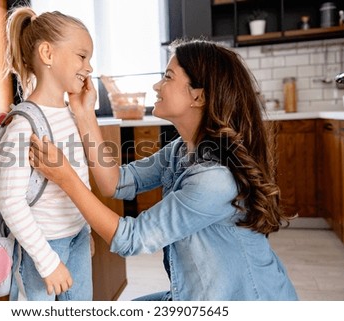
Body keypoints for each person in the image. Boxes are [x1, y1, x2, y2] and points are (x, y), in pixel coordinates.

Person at [29, 39, 299, 301]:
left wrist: (66, 178)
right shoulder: (182, 150)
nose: (157, 85)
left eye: (168, 77)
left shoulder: (215, 179)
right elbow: (117, 182)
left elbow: (130, 239)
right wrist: (84, 112)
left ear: (198, 95)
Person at [0, 6, 94, 301]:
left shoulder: (71, 114)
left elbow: (78, 177)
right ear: (48, 54)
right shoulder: (23, 125)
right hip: (41, 248)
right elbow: (10, 202)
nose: (89, 68)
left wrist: (85, 227)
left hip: (77, 236)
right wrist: (48, 262)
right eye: (82, 56)